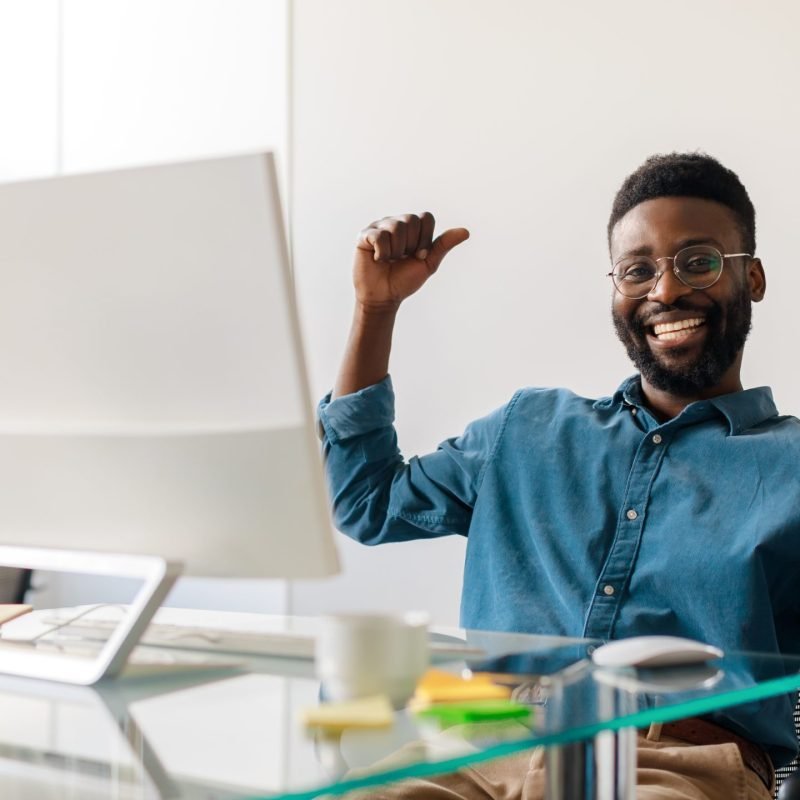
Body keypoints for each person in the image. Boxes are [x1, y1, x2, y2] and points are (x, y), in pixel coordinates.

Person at [317, 153, 800, 799]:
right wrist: (375, 311)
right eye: (638, 271)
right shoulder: (528, 427)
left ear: (753, 277)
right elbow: (365, 503)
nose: (666, 292)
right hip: (479, 743)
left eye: (699, 262)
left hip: (676, 763)